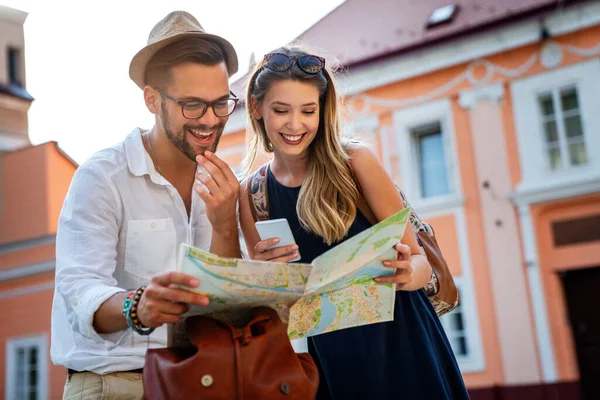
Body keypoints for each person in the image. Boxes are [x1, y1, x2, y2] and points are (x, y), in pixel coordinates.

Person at [239, 47, 470, 399]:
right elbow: (274, 312)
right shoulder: (253, 194)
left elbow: (422, 264)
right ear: (257, 109)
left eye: (308, 110)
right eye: (280, 110)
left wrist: (408, 272)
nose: (295, 124)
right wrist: (265, 278)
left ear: (323, 110)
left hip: (404, 339)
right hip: (331, 358)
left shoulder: (356, 163)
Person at [51, 11, 242, 399]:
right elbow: (79, 289)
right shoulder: (103, 176)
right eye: (192, 105)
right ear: (152, 100)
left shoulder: (226, 184)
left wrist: (224, 225)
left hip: (200, 384)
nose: (210, 120)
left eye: (220, 103)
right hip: (115, 386)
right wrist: (137, 307)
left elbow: (226, 310)